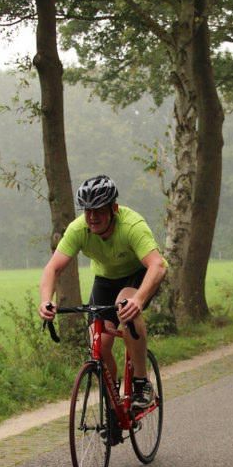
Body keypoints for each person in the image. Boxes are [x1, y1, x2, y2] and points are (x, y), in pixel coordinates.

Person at [39, 175, 167, 423]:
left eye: (99, 210)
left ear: (114, 209)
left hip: (139, 274)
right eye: (88, 211)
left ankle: (141, 382)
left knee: (126, 305)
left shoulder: (132, 226)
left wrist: (139, 299)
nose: (92, 217)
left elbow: (157, 265)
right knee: (99, 342)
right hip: (105, 279)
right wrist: (46, 300)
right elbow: (52, 268)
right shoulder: (79, 229)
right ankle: (113, 400)